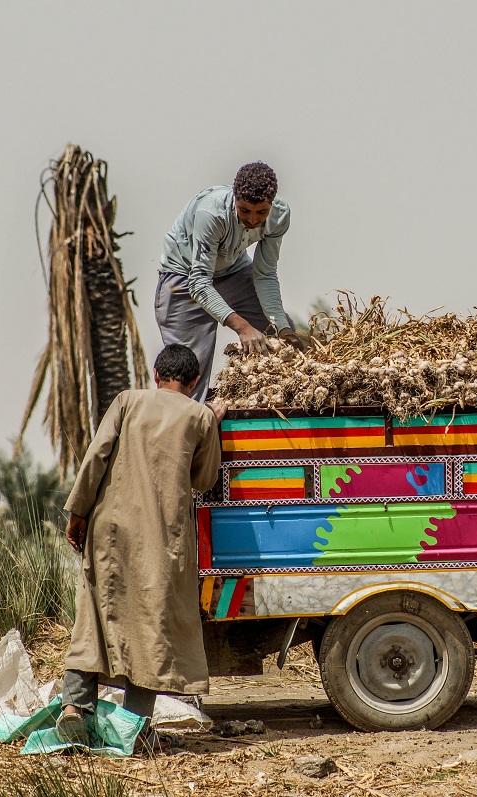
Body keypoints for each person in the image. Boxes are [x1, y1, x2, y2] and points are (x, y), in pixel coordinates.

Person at [56, 344, 225, 751]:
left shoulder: (127, 400)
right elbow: (204, 480)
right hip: (162, 539)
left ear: (154, 374)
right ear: (195, 382)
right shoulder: (199, 416)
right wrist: (213, 422)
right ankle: (134, 726)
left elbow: (97, 455)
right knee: (151, 626)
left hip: (109, 529)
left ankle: (75, 708)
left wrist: (78, 512)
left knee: (94, 614)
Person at [156, 161, 306, 401]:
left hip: (232, 271)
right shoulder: (211, 214)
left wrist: (282, 327)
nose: (253, 220)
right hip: (185, 278)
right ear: (234, 198)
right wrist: (243, 327)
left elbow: (265, 273)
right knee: (184, 377)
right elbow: (200, 283)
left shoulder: (279, 216)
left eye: (261, 212)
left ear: (271, 204)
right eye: (244, 210)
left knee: (281, 337)